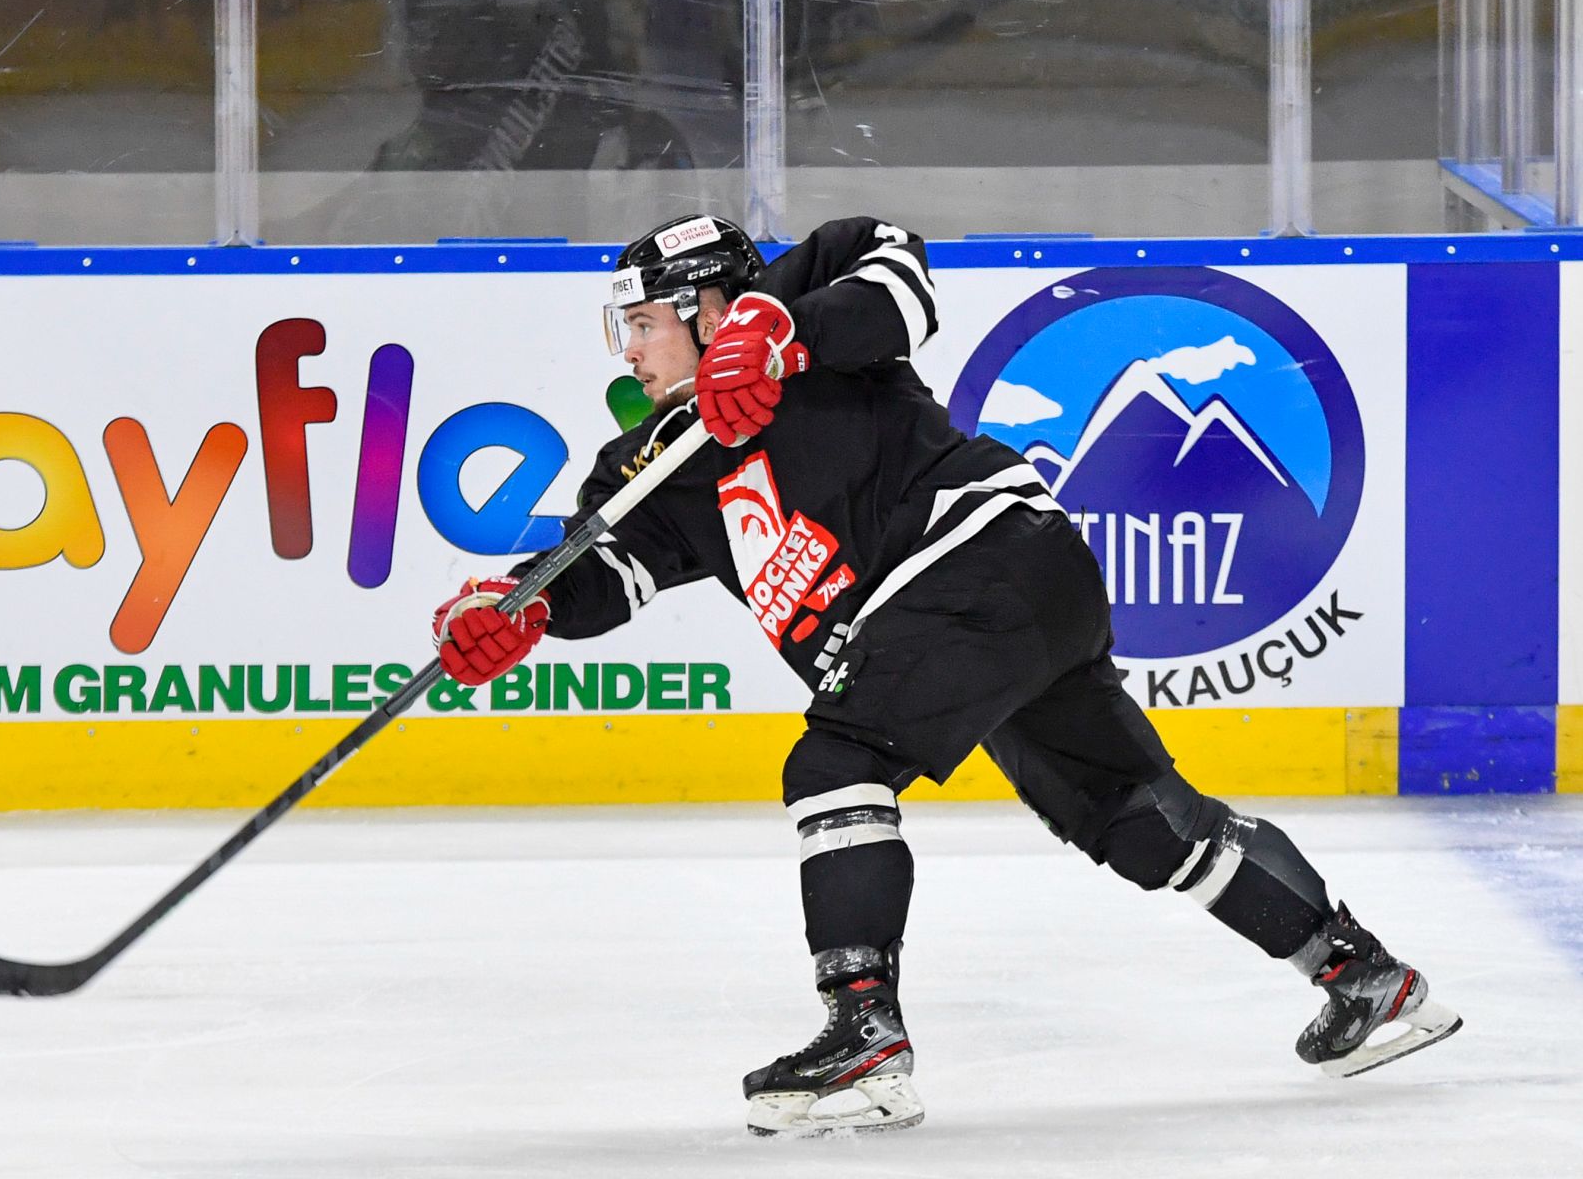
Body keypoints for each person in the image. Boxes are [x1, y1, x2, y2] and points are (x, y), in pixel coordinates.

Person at [428, 214, 1462, 1136]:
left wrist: (782, 333)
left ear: (708, 308)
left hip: (979, 558)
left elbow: (897, 274)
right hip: (995, 607)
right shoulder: (650, 461)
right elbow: (608, 570)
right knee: (1141, 823)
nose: (629, 348)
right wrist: (522, 612)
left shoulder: (796, 305)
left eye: (646, 322)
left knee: (836, 764)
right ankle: (1365, 978)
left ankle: (863, 1034)